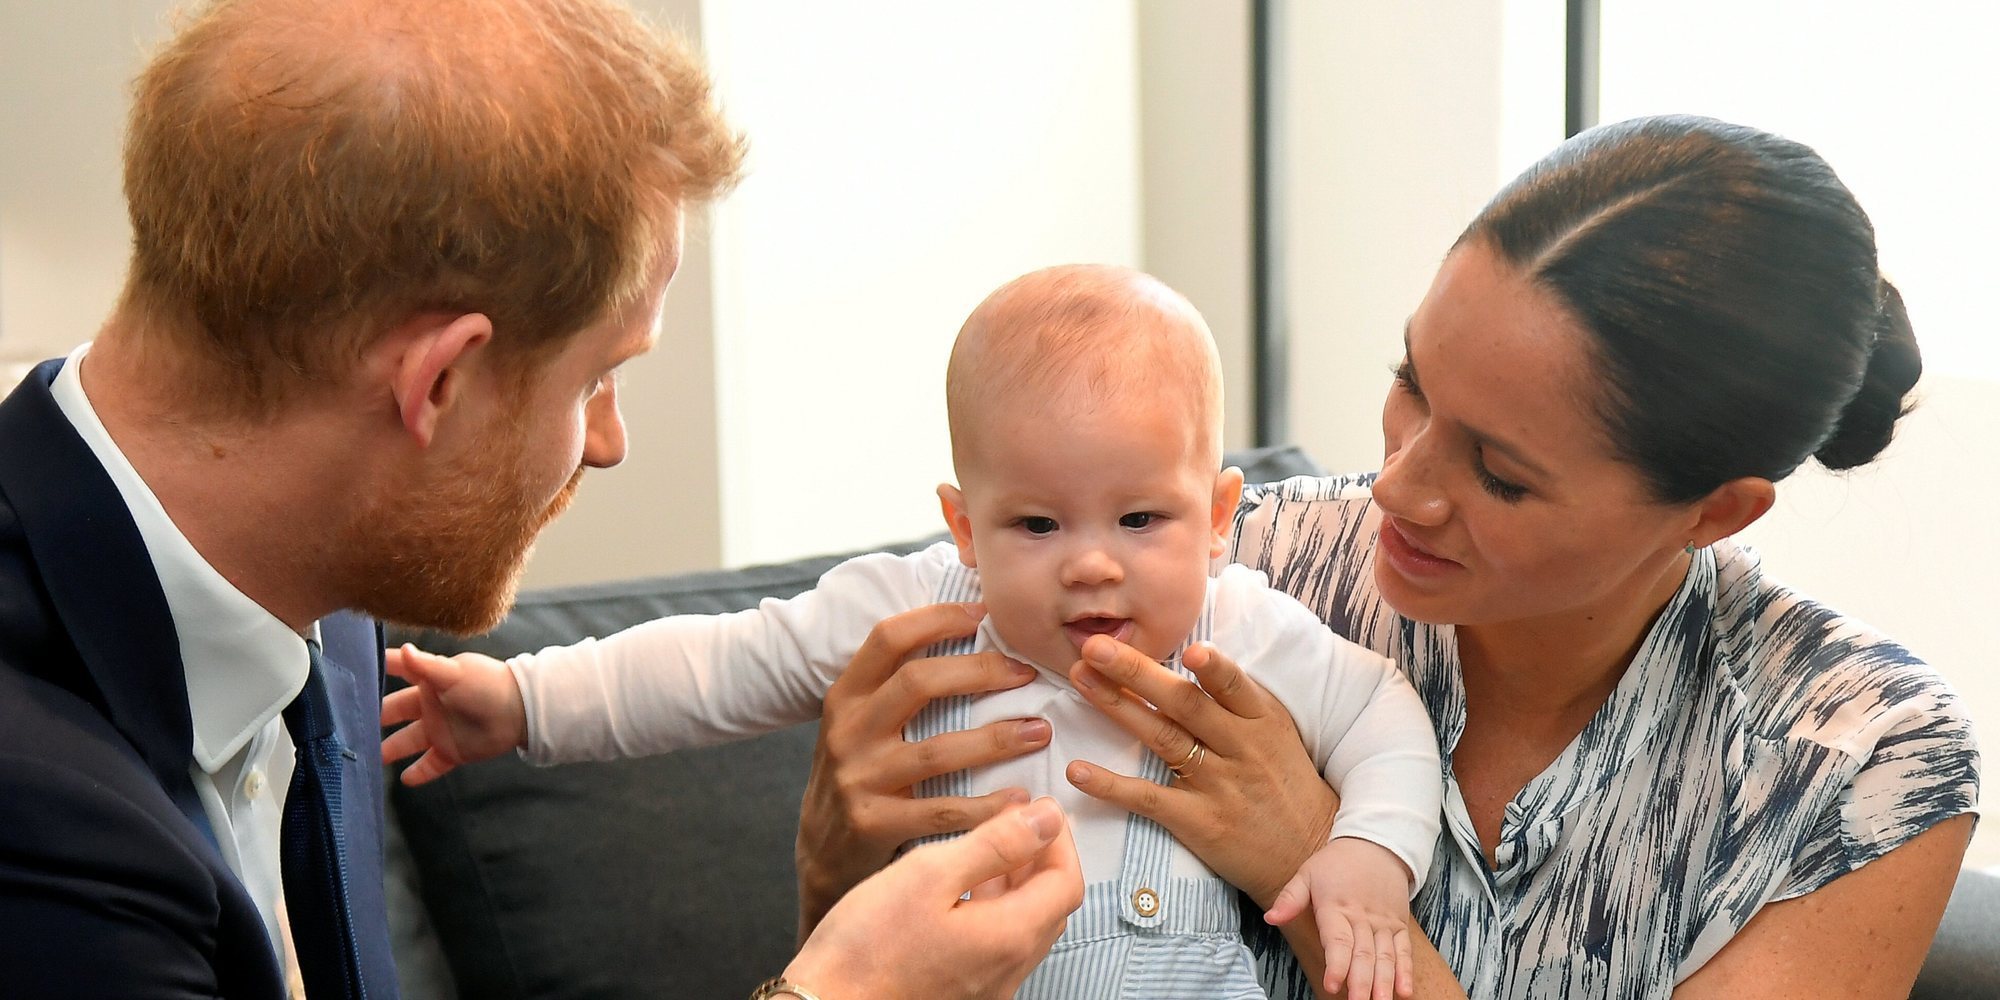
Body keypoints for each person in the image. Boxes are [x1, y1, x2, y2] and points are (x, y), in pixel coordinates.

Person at [0, 0, 1081, 997]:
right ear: (438, 383)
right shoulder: (44, 828)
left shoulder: (322, 595)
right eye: (598, 376)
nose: (607, 442)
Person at [790, 115, 1983, 999]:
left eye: (1498, 472)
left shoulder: (1860, 766)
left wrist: (1311, 861)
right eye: (1409, 381)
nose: (1397, 484)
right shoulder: (1218, 564)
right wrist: (838, 851)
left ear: (1713, 512)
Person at [381, 263, 1445, 1000]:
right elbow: (716, 662)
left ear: (1217, 517)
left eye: (1140, 519)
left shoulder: (1240, 626)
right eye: (1034, 523)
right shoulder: (916, 609)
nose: (1090, 561)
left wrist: (1363, 855)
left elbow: (1382, 719)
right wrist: (522, 703)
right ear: (961, 525)